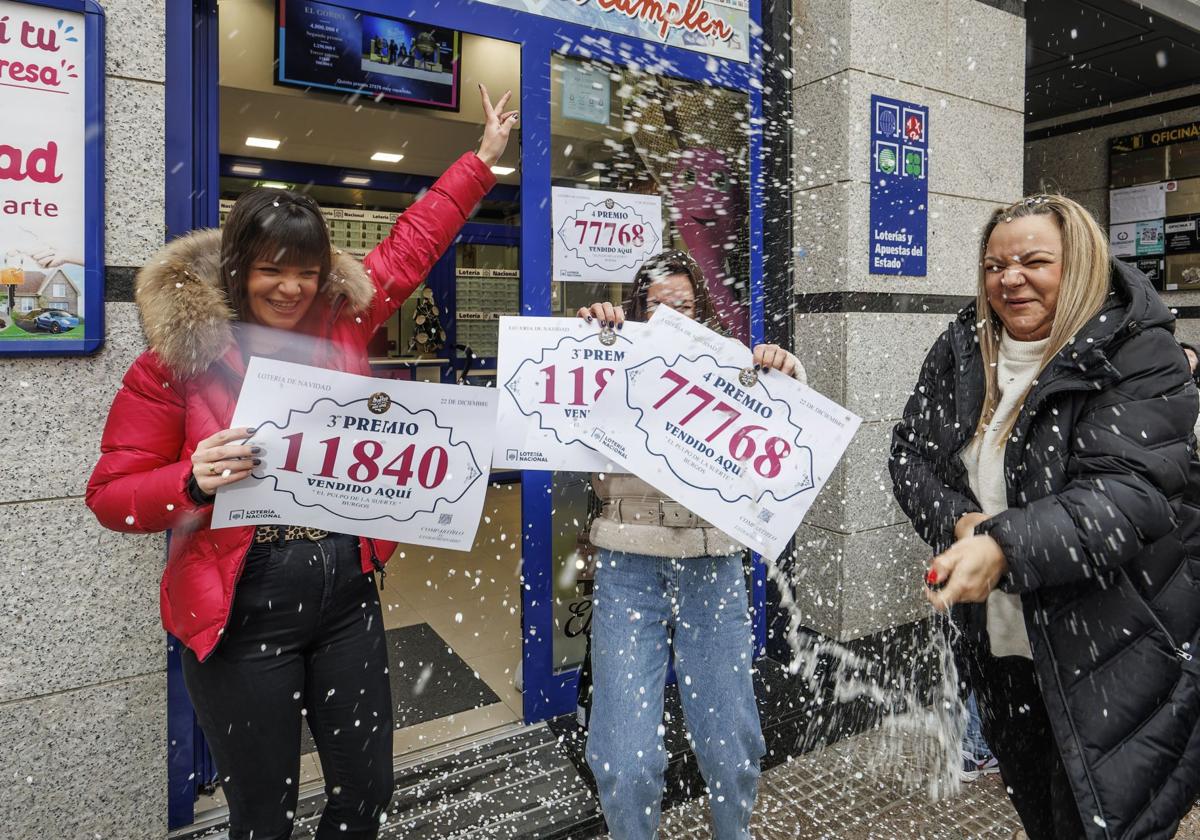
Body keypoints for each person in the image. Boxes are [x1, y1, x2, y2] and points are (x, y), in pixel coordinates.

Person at [85, 86, 518, 840]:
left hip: (346, 594)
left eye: (307, 271)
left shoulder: (344, 320)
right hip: (238, 609)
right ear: (236, 269)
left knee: (367, 789)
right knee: (263, 813)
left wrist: (479, 164)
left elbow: (411, 245)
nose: (291, 287)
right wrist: (188, 478)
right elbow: (110, 495)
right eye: (271, 270)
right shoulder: (175, 362)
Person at [890, 194, 1200, 839]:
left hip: (1117, 650)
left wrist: (1002, 546)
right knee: (1041, 813)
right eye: (994, 265)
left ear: (1081, 263)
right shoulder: (962, 346)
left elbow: (1126, 493)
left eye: (1035, 261)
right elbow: (911, 456)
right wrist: (961, 524)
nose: (1010, 278)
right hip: (1006, 651)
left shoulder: (1139, 351)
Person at [577, 250, 805, 840]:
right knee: (625, 762)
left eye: (683, 306)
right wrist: (587, 337)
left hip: (713, 567)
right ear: (635, 307)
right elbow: (566, 402)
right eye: (656, 306)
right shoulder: (613, 350)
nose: (671, 317)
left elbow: (785, 433)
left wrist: (784, 373)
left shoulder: (730, 370)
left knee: (732, 747)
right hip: (628, 567)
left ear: (701, 310)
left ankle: (735, 832)